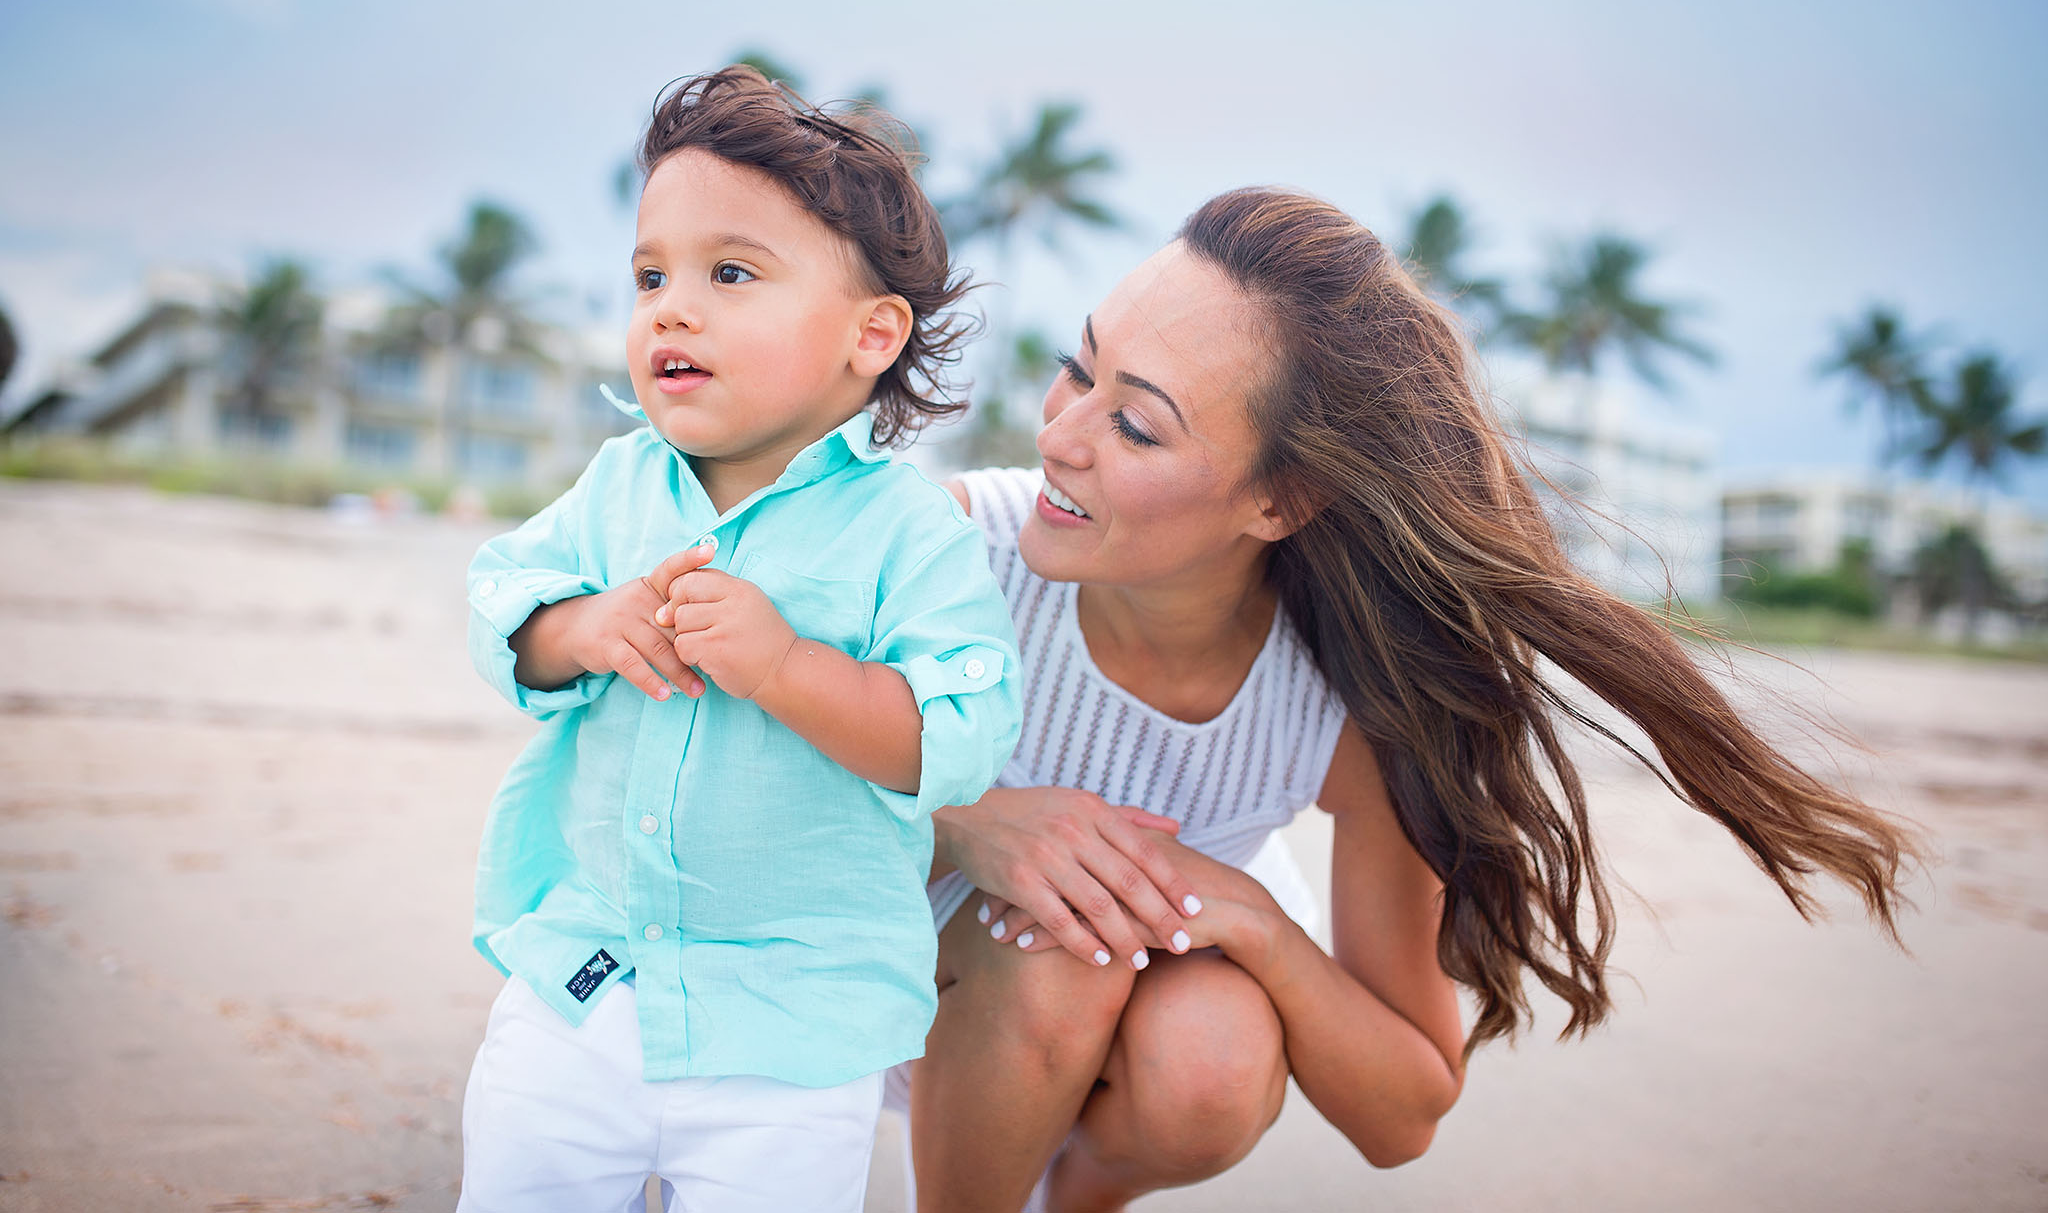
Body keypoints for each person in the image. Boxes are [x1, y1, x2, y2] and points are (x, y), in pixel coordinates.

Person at [899, 187, 1916, 1213]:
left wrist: (1259, 922)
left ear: (1280, 499)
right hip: (888, 977)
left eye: (1133, 424)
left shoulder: (1334, 701)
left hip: (1116, 1023)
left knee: (1213, 1053)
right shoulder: (935, 549)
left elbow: (1405, 1113)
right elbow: (778, 775)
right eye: (1079, 365)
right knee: (1063, 943)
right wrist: (973, 823)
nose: (1061, 434)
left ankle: (1075, 1198)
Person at [457, 67, 1023, 1211]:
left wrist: (785, 667)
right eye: (649, 275)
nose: (670, 308)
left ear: (870, 333)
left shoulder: (908, 529)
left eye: (729, 273)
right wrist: (585, 624)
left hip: (795, 1028)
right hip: (584, 982)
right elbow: (499, 602)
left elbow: (960, 736)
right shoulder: (618, 484)